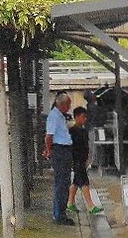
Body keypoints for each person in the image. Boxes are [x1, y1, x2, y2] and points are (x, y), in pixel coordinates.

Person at [44, 91, 75, 225]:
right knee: (62, 184)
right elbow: (49, 136)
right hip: (60, 150)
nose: (69, 107)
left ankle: (59, 212)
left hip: (64, 150)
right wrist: (49, 150)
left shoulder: (60, 116)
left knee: (64, 182)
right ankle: (59, 215)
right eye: (68, 104)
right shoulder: (54, 116)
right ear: (62, 104)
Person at [68, 107, 103, 216]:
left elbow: (86, 146)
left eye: (85, 117)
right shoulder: (72, 131)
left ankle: (70, 202)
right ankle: (90, 205)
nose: (85, 119)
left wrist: (88, 157)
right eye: (83, 117)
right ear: (77, 117)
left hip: (82, 158)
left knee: (76, 182)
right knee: (84, 182)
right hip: (77, 159)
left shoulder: (83, 131)